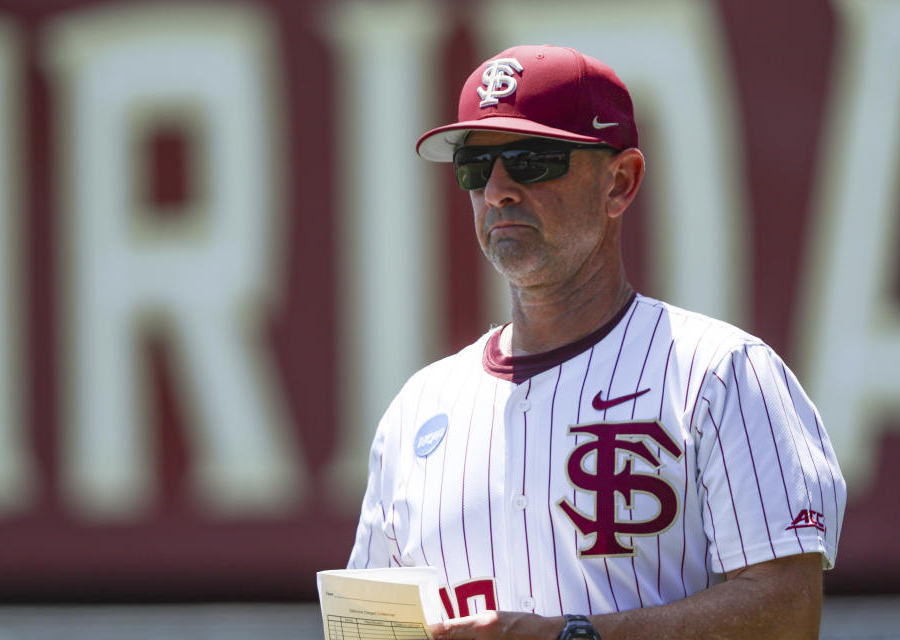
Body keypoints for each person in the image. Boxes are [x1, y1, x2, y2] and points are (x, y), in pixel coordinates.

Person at [346, 44, 845, 640]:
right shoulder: (418, 408)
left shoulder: (721, 372)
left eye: (532, 160)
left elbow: (788, 613)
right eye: (477, 167)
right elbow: (371, 628)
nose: (499, 189)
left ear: (621, 182)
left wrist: (573, 637)